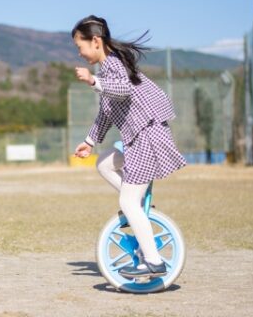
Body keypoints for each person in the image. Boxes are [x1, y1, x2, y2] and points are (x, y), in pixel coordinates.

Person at [71, 15, 186, 279]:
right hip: (140, 136)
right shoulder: (108, 68)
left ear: (96, 41)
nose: (79, 52)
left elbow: (122, 90)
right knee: (104, 163)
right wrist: (89, 142)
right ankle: (139, 204)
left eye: (80, 46)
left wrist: (93, 82)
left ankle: (153, 261)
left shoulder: (113, 64)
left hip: (147, 134)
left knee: (127, 200)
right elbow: (106, 112)